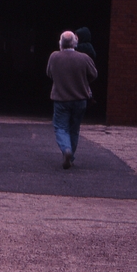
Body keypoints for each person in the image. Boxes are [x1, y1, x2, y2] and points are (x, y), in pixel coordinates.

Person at [46, 31, 98, 169]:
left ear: (60, 42)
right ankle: (71, 156)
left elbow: (49, 73)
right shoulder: (84, 58)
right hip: (80, 99)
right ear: (75, 43)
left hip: (61, 99)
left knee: (61, 127)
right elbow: (94, 74)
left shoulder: (54, 57)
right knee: (74, 129)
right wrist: (82, 82)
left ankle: (66, 149)